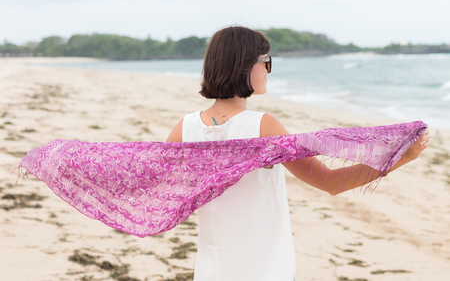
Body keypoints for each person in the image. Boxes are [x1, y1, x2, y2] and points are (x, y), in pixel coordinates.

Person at [166, 26, 431, 281]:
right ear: (244, 65)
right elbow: (329, 181)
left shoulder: (185, 127)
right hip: (262, 267)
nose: (269, 69)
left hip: (211, 268)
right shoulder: (263, 126)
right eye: (266, 61)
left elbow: (159, 185)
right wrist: (402, 158)